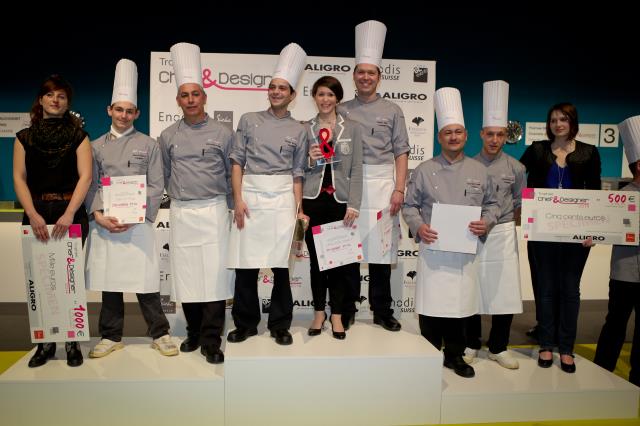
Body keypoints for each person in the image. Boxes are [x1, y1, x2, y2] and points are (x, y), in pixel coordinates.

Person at [402, 87, 499, 378]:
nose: (453, 137)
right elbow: (409, 205)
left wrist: (488, 222)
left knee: (460, 307)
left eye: (458, 132)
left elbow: (494, 204)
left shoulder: (481, 171)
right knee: (431, 307)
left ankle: (454, 356)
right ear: (439, 137)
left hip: (465, 252)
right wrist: (419, 226)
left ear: (466, 136)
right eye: (447, 132)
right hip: (433, 250)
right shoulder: (423, 169)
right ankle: (429, 354)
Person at [84, 59, 177, 359]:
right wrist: (99, 215)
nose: (123, 115)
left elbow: (155, 184)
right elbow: (91, 184)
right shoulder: (95, 146)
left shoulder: (149, 145)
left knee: (145, 280)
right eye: (118, 109)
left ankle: (160, 333)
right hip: (106, 223)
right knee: (111, 281)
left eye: (129, 110)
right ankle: (111, 336)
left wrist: (137, 216)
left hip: (138, 224)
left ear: (137, 113)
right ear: (109, 110)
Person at [226, 43, 308, 346]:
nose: (276, 91)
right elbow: (237, 162)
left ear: (292, 95)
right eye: (272, 87)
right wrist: (238, 200)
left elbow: (297, 174)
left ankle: (279, 325)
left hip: (283, 196)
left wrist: (297, 210)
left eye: (282, 88)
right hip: (251, 194)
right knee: (246, 265)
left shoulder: (299, 129)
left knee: (281, 267)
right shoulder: (249, 119)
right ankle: (245, 323)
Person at [158, 43, 234, 364]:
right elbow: (163, 173)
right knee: (187, 276)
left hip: (215, 209)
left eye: (196, 94)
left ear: (205, 97)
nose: (190, 100)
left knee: (215, 277)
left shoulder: (223, 132)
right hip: (182, 210)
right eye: (185, 95)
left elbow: (234, 174)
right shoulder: (166, 136)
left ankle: (211, 340)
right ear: (178, 100)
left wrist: (237, 208)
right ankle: (192, 332)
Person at [13, 74, 92, 367]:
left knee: (68, 281)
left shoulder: (79, 137)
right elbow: (18, 178)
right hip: (36, 213)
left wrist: (70, 212)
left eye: (61, 96)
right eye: (50, 95)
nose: (55, 100)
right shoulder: (24, 137)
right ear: (41, 100)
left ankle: (72, 342)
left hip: (69, 211)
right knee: (41, 280)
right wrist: (32, 214)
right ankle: (44, 343)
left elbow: (86, 176)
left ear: (67, 102)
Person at [338, 20, 409, 331]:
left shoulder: (392, 110)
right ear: (354, 76)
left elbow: (401, 153)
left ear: (379, 77)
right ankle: (349, 306)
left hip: (382, 184)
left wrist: (399, 189)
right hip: (349, 184)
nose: (365, 77)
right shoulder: (340, 109)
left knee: (381, 252)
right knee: (349, 250)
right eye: (361, 72)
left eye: (371, 72)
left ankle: (382, 310)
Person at [520, 102, 601, 373]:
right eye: (554, 119)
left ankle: (566, 348)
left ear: (572, 122)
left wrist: (593, 230)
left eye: (563, 119)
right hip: (542, 232)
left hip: (576, 236)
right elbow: (518, 176)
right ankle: (545, 344)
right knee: (544, 290)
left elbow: (596, 194)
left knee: (569, 290)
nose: (558, 124)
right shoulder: (537, 150)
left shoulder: (589, 153)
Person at [463, 80, 525, 370]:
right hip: (473, 233)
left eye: (500, 135)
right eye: (490, 134)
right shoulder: (468, 164)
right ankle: (471, 342)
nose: (495, 140)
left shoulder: (517, 168)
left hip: (502, 234)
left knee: (504, 291)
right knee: (472, 288)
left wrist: (503, 224)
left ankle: (499, 346)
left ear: (505, 136)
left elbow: (518, 203)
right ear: (481, 134)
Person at [304, 76, 363, 340]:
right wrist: (308, 159)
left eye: (330, 95)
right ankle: (319, 312)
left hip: (341, 203)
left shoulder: (352, 128)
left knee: (339, 261)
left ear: (337, 98)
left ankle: (337, 314)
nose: (325, 100)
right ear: (314, 97)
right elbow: (297, 170)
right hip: (313, 200)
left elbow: (358, 168)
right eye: (320, 95)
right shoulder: (305, 128)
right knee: (317, 262)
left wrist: (354, 204)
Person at [594, 115, 640, 386]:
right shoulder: (621, 197)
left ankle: (637, 377)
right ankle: (602, 370)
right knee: (615, 324)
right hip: (623, 272)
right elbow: (600, 224)